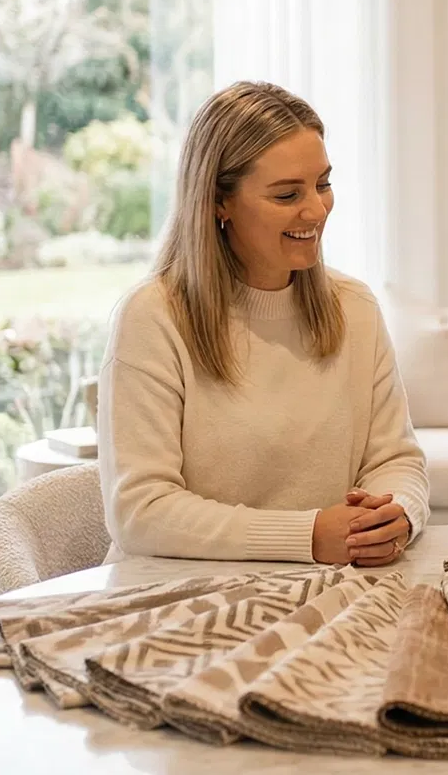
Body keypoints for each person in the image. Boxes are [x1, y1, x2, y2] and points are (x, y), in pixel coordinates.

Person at [97, 81, 428, 566]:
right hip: (178, 600)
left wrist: (396, 514)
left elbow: (395, 460)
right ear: (218, 202)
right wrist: (307, 536)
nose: (316, 209)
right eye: (286, 194)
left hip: (325, 589)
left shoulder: (354, 308)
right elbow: (140, 510)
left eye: (323, 184)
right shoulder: (153, 317)